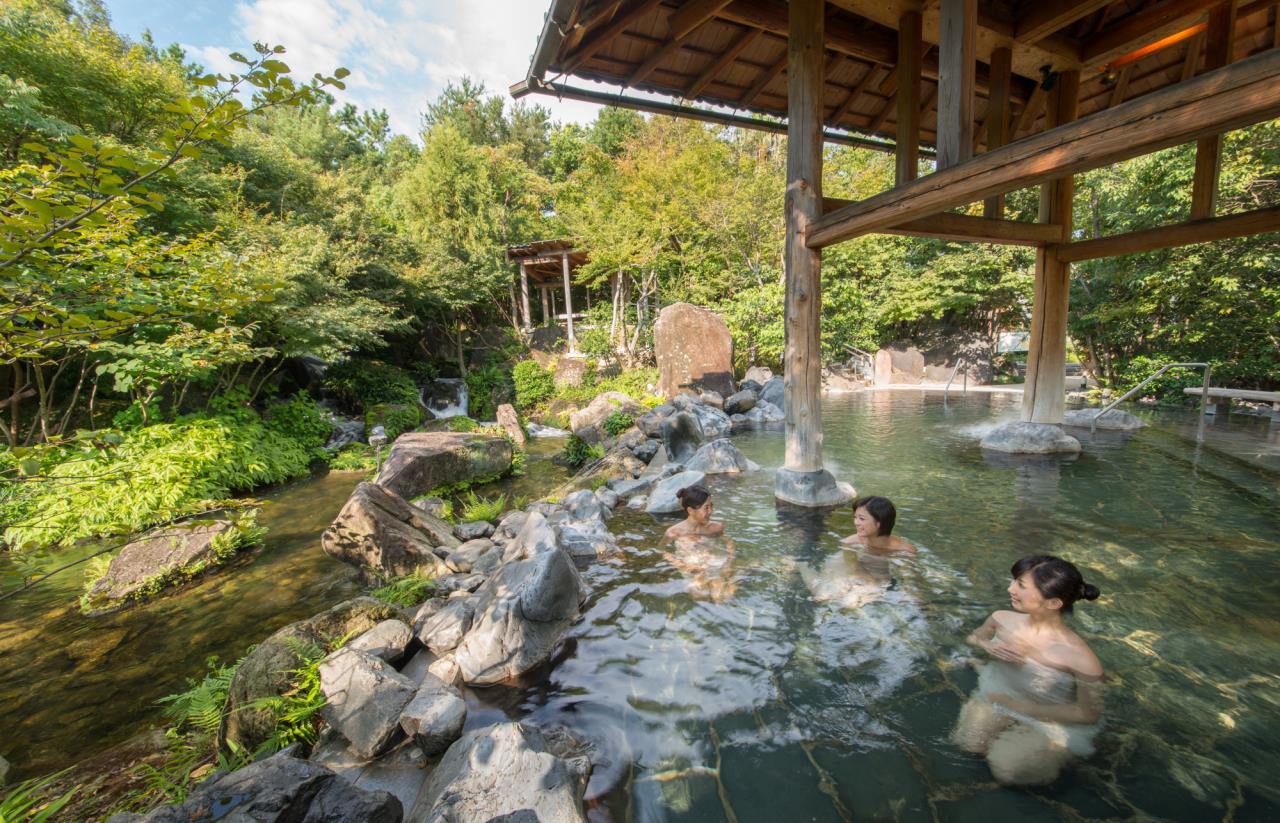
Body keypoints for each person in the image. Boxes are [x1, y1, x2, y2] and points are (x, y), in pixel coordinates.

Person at [951, 555, 1104, 786]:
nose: (1010, 588)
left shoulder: (1080, 658)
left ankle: (1051, 753)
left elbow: (1088, 714)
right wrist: (988, 646)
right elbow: (974, 638)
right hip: (999, 694)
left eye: (1021, 585)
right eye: (1014, 581)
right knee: (968, 744)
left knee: (1007, 771)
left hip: (1052, 719)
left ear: (1053, 603)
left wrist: (1021, 708)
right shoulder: (1002, 619)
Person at [664, 485, 735, 601]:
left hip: (716, 566)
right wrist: (683, 566)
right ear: (691, 510)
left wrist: (729, 564)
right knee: (700, 596)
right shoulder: (674, 532)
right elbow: (663, 551)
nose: (711, 511)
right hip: (692, 570)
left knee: (721, 597)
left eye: (711, 506)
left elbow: (729, 543)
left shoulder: (716, 527)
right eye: (706, 508)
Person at [840, 496, 916, 555]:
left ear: (879, 523)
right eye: (855, 517)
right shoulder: (850, 543)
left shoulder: (906, 550)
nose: (856, 522)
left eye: (861, 519)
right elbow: (852, 568)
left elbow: (909, 574)